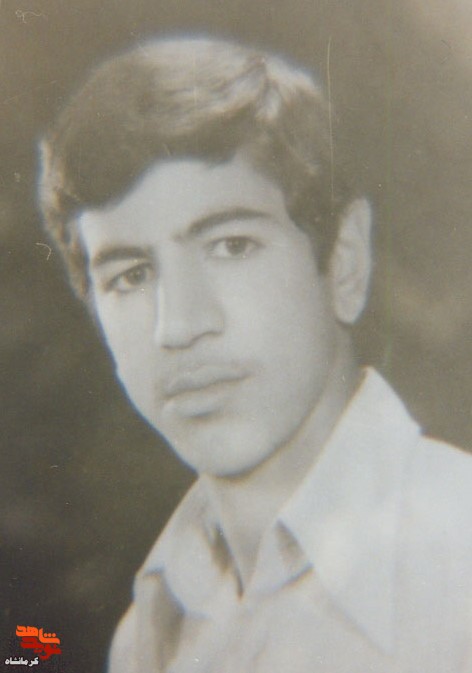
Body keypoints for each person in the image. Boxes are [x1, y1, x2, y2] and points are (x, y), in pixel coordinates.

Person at [39, 36, 472, 673]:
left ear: (345, 261)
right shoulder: (149, 632)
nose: (178, 325)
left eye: (232, 246)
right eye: (129, 275)